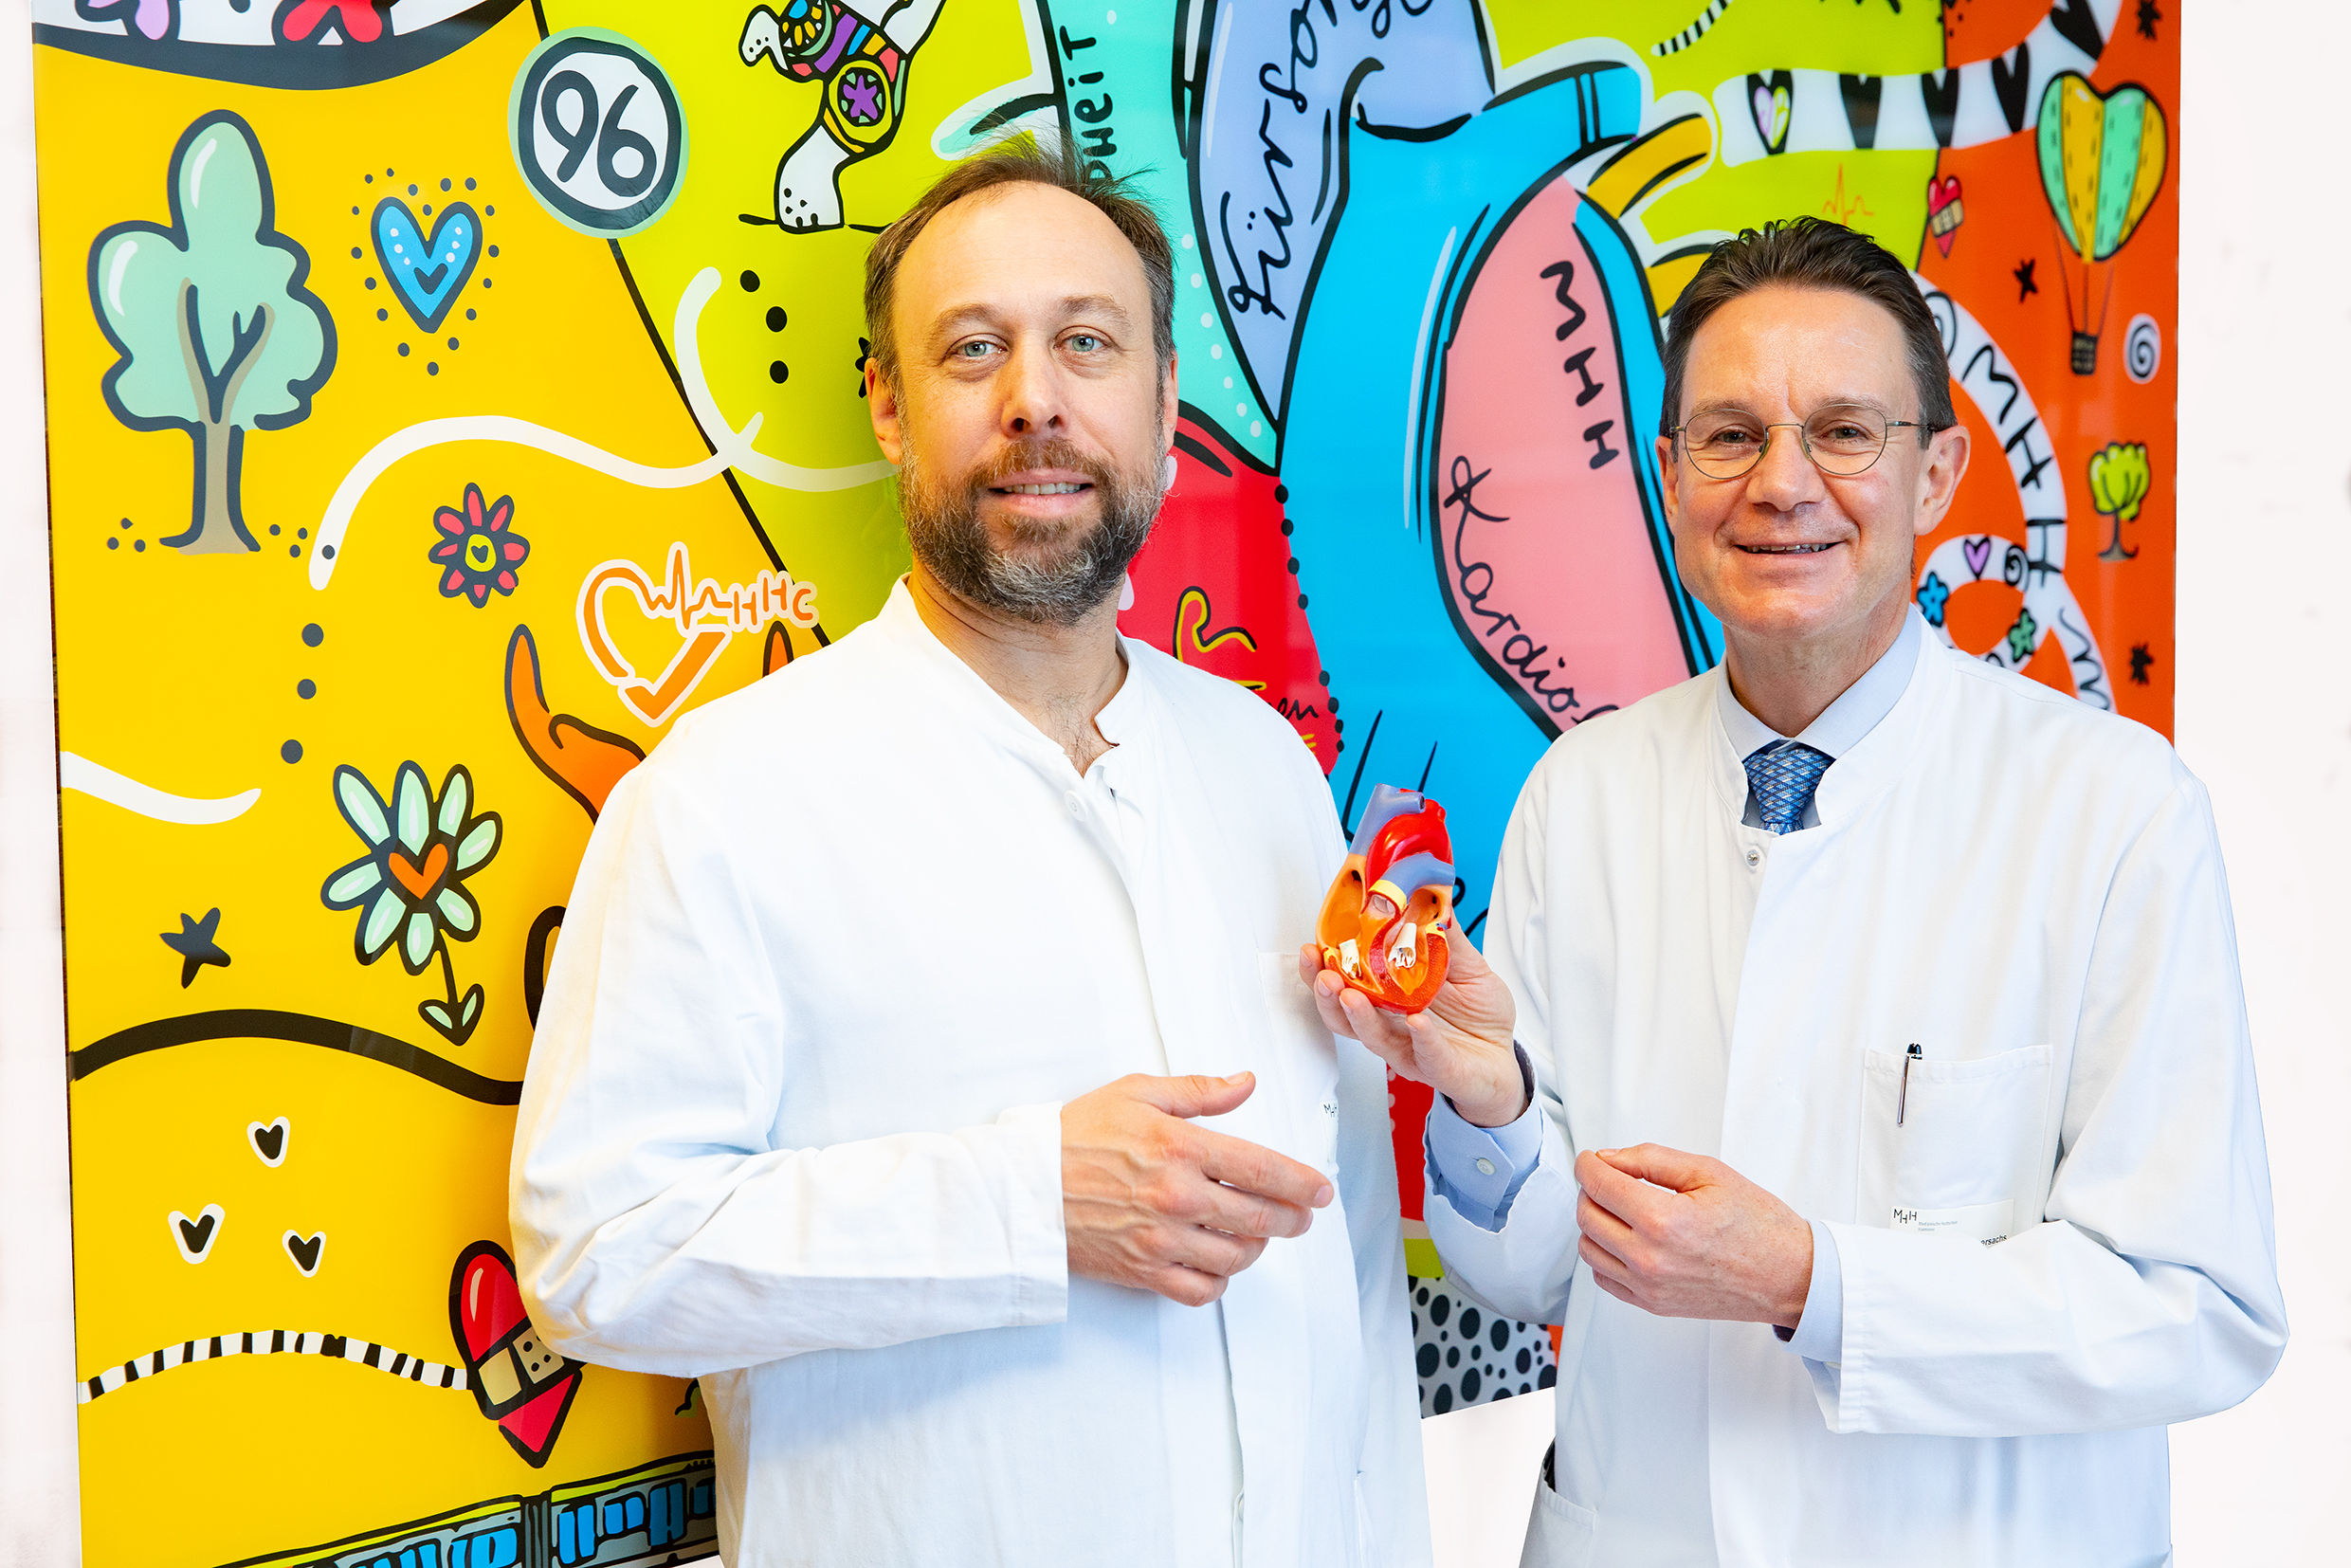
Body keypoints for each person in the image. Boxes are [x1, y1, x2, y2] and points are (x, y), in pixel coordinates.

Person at [1305, 217, 2286, 1566]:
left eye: (1843, 430)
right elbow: (1524, 1268)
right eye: (1727, 434)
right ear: (1667, 473)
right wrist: (1497, 1100)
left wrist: (1814, 1284)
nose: (1782, 484)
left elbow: (2192, 1303)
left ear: (1937, 472)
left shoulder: (2114, 811)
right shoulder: (1583, 794)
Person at [511, 140, 1430, 1568]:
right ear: (887, 404)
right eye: (972, 349)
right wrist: (1026, 1202)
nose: (1035, 401)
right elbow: (595, 1258)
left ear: (1162, 397)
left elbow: (1349, 1261)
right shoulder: (725, 801)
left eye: (1084, 342)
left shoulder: (1264, 763)